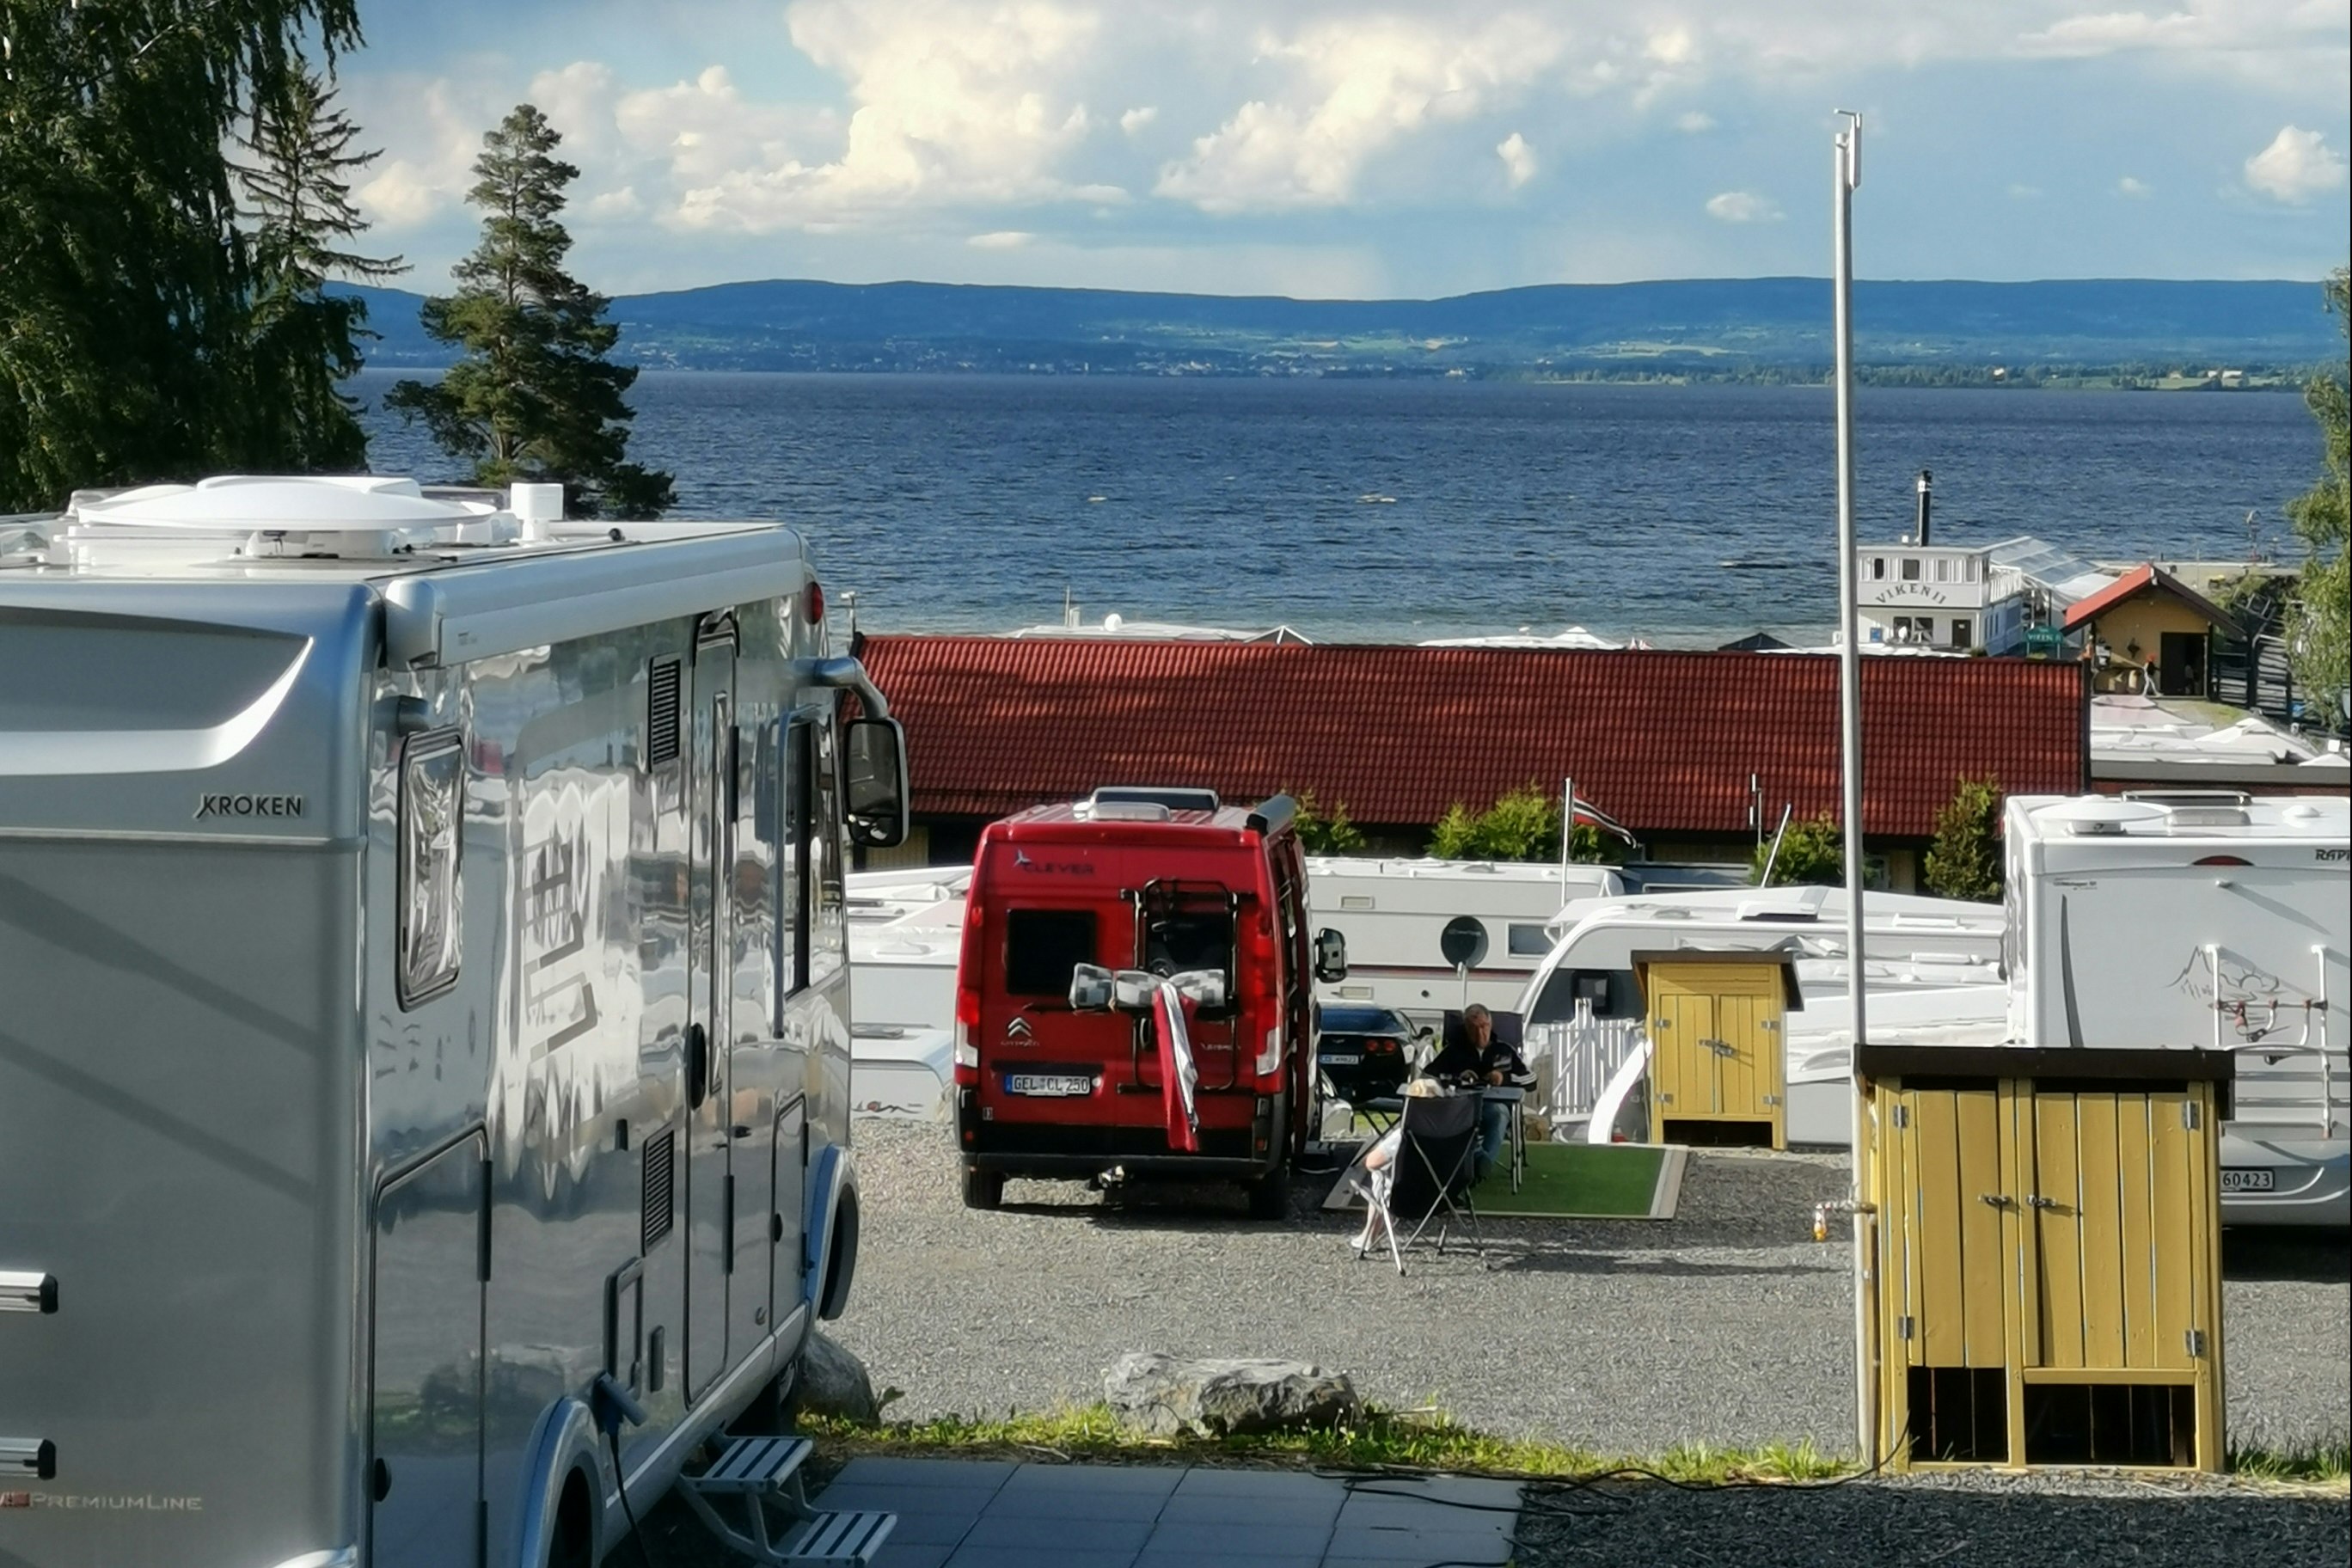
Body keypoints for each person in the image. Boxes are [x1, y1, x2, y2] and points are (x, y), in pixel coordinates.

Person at [1425, 1004, 1534, 1180]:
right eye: (1474, 1028)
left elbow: (1531, 1081)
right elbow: (1429, 1076)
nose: (1480, 1033)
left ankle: (1481, 1166)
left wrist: (1504, 1078)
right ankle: (1479, 1161)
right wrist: (1457, 1078)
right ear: (1466, 1029)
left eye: (1484, 1027)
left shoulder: (1504, 1051)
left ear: (1490, 1025)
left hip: (1494, 1107)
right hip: (1460, 1106)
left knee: (1498, 1113)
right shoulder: (1453, 1051)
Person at [1348, 1077, 1444, 1247]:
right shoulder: (1456, 1134)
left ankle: (1369, 1238)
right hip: (1441, 1197)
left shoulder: (1403, 1136)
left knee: (1379, 1173)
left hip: (1402, 1199)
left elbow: (1371, 1163)